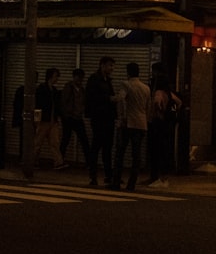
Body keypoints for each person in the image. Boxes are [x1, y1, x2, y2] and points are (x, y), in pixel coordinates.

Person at [112, 62, 151, 191]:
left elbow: (121, 99)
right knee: (136, 154)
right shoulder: (146, 88)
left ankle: (116, 182)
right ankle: (131, 184)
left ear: (128, 72)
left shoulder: (126, 85)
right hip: (141, 124)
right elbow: (148, 107)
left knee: (120, 153)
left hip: (128, 123)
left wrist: (114, 101)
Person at [146, 61, 181, 188]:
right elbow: (179, 102)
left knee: (156, 150)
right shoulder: (169, 92)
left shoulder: (158, 92)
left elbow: (157, 104)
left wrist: (158, 112)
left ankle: (157, 177)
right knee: (165, 150)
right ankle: (163, 177)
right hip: (167, 125)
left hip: (157, 124)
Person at [86, 56, 117, 186]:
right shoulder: (94, 80)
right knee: (97, 146)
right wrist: (109, 99)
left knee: (107, 147)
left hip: (108, 118)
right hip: (99, 117)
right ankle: (93, 175)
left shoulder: (107, 81)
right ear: (102, 65)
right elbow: (92, 98)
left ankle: (108, 175)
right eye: (110, 65)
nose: (112, 68)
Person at [34, 67, 67, 169]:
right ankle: (33, 161)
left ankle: (58, 162)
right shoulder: (42, 89)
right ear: (51, 76)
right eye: (56, 76)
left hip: (52, 120)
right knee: (38, 142)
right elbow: (38, 105)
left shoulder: (54, 90)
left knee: (54, 142)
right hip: (44, 120)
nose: (57, 79)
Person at [60, 68, 89, 165]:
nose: (80, 80)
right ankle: (60, 160)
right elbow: (64, 102)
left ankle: (89, 162)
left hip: (77, 117)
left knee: (83, 140)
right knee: (66, 139)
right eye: (78, 77)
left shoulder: (81, 89)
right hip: (69, 117)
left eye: (81, 78)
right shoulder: (69, 87)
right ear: (74, 77)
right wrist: (66, 114)